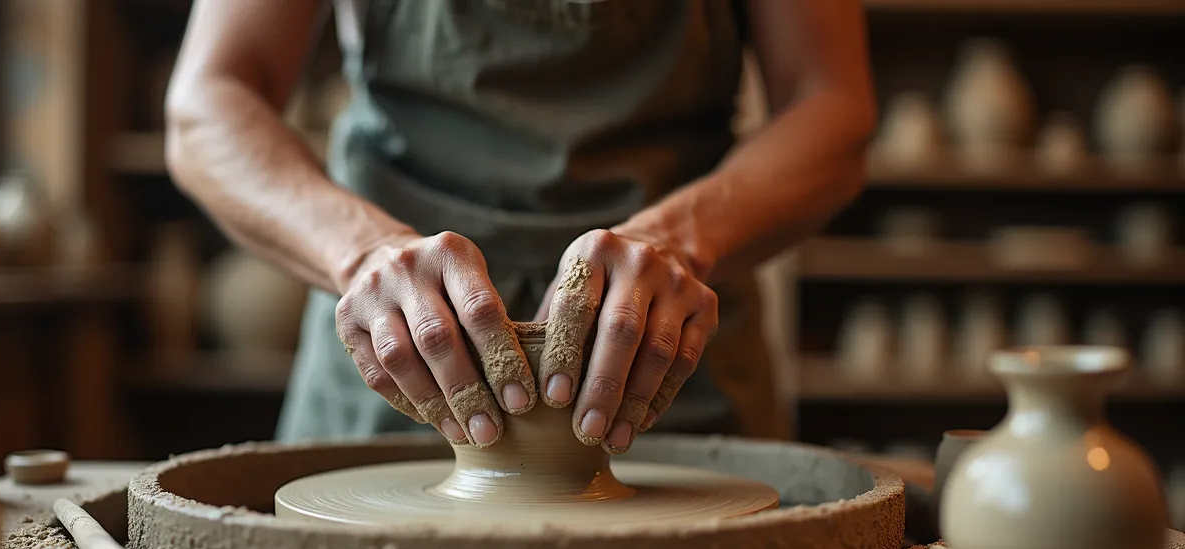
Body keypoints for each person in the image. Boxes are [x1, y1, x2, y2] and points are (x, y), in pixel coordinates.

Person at [166, 0, 875, 453]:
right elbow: (209, 101)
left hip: (666, 363)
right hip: (397, 370)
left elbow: (831, 102)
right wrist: (362, 254)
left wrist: (677, 241)